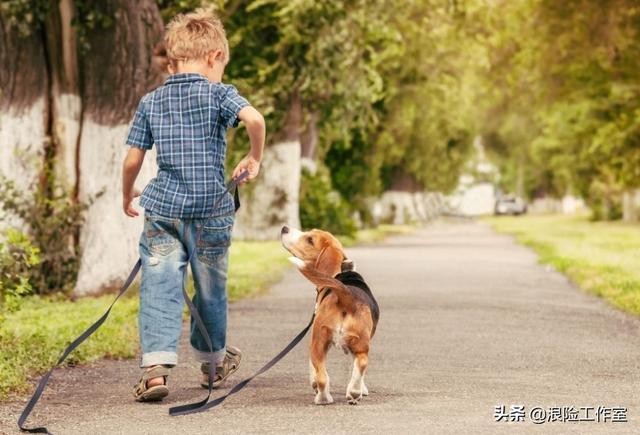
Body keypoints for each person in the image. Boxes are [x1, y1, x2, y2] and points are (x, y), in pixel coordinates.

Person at [121, 9, 265, 402]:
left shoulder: (151, 101)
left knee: (159, 286)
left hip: (164, 212)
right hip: (211, 212)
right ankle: (213, 366)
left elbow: (133, 159)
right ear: (215, 55)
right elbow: (254, 119)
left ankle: (155, 372)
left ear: (174, 58)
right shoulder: (219, 93)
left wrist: (126, 193)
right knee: (210, 289)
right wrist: (254, 157)